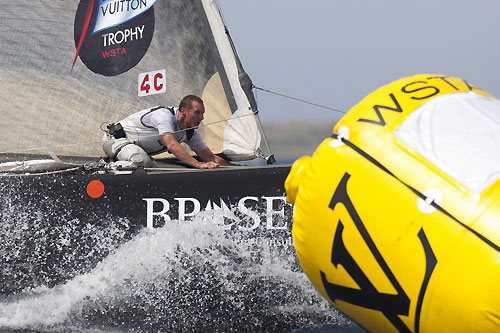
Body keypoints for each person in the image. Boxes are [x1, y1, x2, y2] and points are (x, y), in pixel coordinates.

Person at [102, 95, 233, 169]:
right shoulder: (164, 116)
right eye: (197, 113)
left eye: (203, 113)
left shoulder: (189, 132)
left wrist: (237, 168)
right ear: (183, 111)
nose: (202, 118)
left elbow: (210, 158)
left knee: (169, 170)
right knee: (142, 162)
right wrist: (198, 165)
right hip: (115, 141)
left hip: (134, 150)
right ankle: (107, 168)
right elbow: (172, 145)